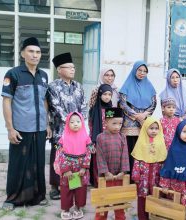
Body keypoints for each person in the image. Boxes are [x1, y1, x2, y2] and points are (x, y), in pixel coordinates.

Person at [1, 37, 51, 210]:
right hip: (21, 128)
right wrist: (10, 128)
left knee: (38, 162)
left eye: (38, 52)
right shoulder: (13, 74)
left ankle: (37, 195)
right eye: (31, 51)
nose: (35, 55)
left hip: (39, 128)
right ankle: (12, 198)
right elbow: (6, 101)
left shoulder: (43, 75)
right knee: (18, 163)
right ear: (23, 53)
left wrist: (47, 124)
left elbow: (45, 101)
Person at [48, 52, 88, 200]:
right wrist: (72, 122)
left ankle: (73, 184)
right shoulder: (53, 86)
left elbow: (84, 105)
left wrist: (80, 122)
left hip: (78, 131)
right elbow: (56, 107)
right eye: (68, 67)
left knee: (75, 158)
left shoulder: (78, 86)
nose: (73, 69)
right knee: (58, 156)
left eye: (73, 67)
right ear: (59, 70)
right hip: (60, 131)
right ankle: (55, 186)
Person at [119, 60, 157, 173]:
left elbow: (154, 103)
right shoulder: (127, 85)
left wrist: (144, 114)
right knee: (130, 149)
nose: (142, 73)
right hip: (130, 124)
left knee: (142, 149)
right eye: (139, 70)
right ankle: (129, 175)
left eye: (145, 71)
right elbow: (122, 103)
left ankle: (140, 176)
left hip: (144, 123)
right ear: (134, 70)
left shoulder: (149, 86)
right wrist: (136, 115)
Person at [160, 119, 186, 220]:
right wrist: (165, 185)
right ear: (178, 132)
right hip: (175, 184)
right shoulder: (174, 149)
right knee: (174, 208)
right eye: (184, 131)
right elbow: (168, 167)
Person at [53, 112, 92, 220]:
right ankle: (66, 209)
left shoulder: (86, 137)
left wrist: (84, 167)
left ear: (82, 123)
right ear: (67, 123)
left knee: (80, 188)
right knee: (66, 188)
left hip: (81, 169)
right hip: (68, 168)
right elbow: (60, 153)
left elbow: (89, 152)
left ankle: (78, 208)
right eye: (72, 122)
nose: (75, 124)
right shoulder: (63, 137)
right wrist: (65, 170)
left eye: (78, 121)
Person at [95, 108, 130, 220]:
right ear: (106, 122)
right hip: (105, 178)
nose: (117, 127)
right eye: (114, 123)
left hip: (119, 177)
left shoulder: (122, 137)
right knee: (103, 202)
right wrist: (105, 172)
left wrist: (123, 171)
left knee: (119, 202)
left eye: (120, 124)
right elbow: (100, 156)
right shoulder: (100, 137)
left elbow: (125, 155)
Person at [131, 117, 167, 220]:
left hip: (156, 176)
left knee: (156, 197)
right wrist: (136, 176)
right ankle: (142, 217)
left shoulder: (160, 142)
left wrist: (164, 178)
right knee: (142, 197)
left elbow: (163, 161)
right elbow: (137, 160)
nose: (154, 131)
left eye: (156, 128)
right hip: (143, 177)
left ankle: (155, 217)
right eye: (151, 128)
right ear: (145, 128)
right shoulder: (141, 142)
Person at [88, 84, 113, 187]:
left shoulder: (111, 108)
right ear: (99, 95)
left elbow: (112, 123)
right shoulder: (94, 109)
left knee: (106, 161)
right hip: (96, 139)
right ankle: (96, 181)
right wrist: (93, 141)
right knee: (97, 161)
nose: (107, 97)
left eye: (109, 94)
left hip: (108, 139)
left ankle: (106, 181)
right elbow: (90, 125)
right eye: (105, 94)